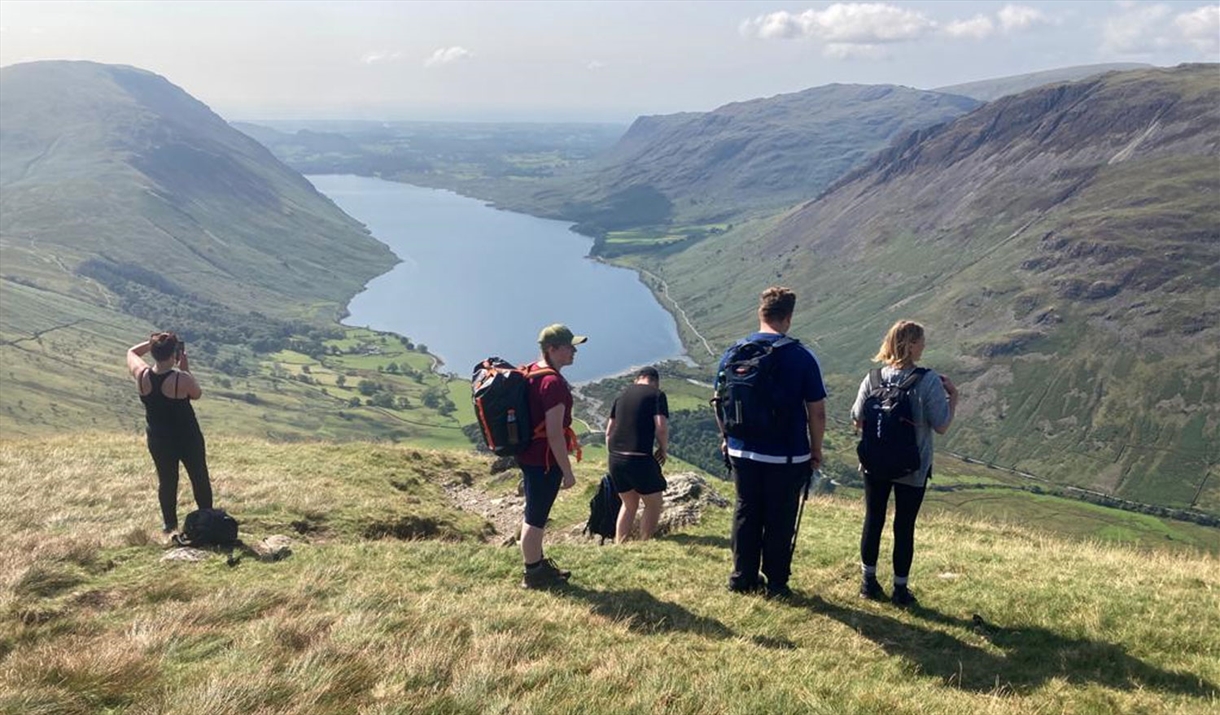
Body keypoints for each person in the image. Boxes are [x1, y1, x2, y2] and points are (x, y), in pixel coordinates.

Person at [716, 286, 826, 599]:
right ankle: (776, 583)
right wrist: (815, 450)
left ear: (760, 313)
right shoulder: (800, 357)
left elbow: (718, 400)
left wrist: (727, 439)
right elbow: (816, 412)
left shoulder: (735, 352)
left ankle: (742, 577)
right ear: (788, 318)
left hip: (741, 448)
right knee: (780, 516)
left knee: (746, 510)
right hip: (786, 454)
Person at [851, 320, 957, 607]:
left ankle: (868, 583)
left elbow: (858, 419)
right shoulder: (928, 380)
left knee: (873, 520)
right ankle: (900, 589)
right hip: (913, 466)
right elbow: (942, 425)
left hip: (874, 465)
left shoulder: (872, 379)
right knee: (904, 525)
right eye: (921, 341)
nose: (924, 346)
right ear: (910, 345)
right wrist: (954, 396)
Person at [517, 323, 587, 589]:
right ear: (552, 349)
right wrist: (567, 471)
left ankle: (536, 564)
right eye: (569, 347)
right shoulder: (553, 383)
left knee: (534, 513)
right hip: (544, 461)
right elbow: (555, 433)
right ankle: (533, 574)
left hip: (529, 455)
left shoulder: (533, 372)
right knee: (536, 518)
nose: (574, 351)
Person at [125, 332, 213, 538]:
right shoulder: (180, 378)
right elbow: (196, 394)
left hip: (158, 438)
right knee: (199, 476)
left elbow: (131, 352)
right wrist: (185, 367)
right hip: (187, 436)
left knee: (167, 480)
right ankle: (207, 519)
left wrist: (153, 344)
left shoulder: (142, 375)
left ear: (154, 352)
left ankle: (169, 526)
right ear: (174, 353)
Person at [605, 366, 670, 542]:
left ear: (638, 378)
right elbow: (661, 427)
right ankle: (644, 542)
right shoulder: (657, 395)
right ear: (655, 382)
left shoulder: (621, 395)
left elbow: (609, 431)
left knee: (629, 503)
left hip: (615, 459)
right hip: (639, 458)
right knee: (654, 503)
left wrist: (612, 455)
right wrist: (663, 449)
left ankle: (620, 542)